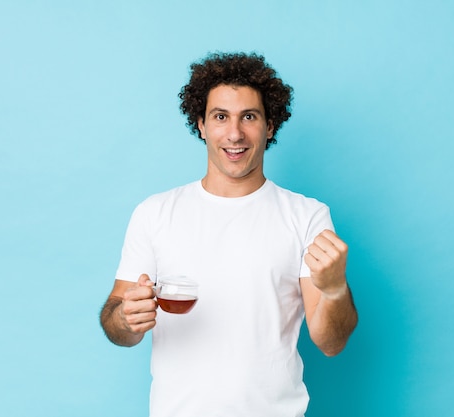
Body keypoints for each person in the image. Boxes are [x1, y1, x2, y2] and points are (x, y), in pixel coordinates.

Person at [100, 52, 358, 417]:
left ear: (270, 126)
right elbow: (117, 324)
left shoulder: (307, 216)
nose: (234, 133)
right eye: (220, 117)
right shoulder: (154, 213)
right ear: (202, 125)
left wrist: (334, 290)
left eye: (249, 117)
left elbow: (331, 343)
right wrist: (126, 318)